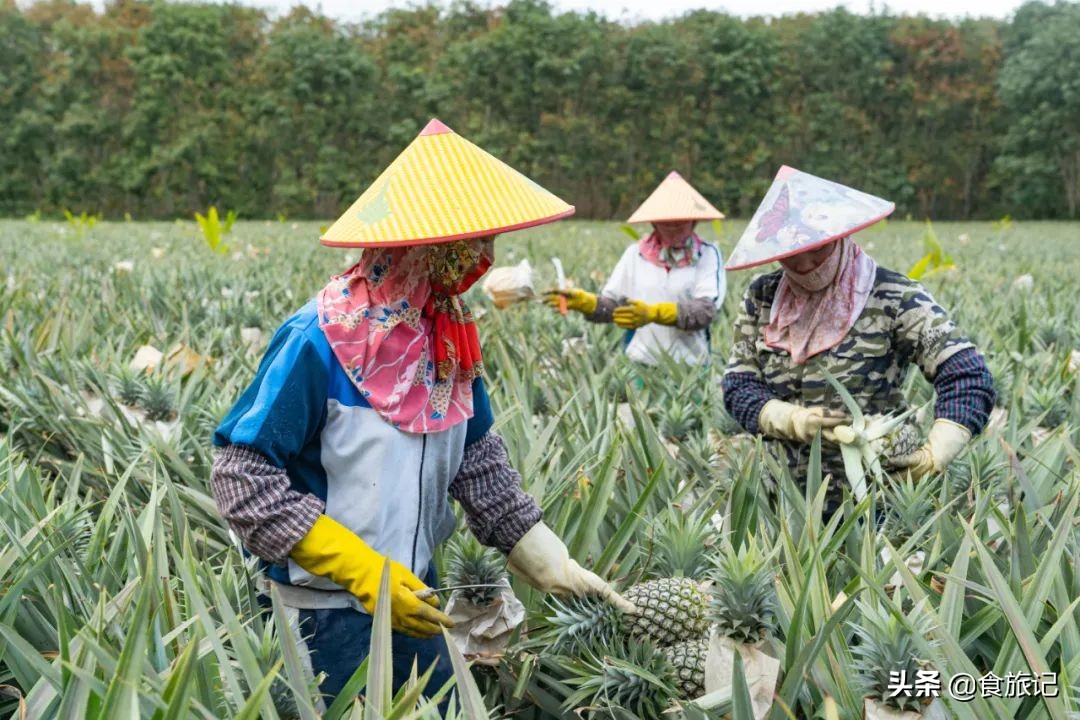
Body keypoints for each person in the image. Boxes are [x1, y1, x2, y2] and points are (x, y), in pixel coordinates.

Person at [209, 119, 634, 708]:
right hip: (323, 615)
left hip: (417, 602)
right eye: (469, 241)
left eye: (488, 240)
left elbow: (479, 467)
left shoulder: (448, 335)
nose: (485, 257)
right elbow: (242, 477)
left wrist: (550, 561)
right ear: (418, 245)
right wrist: (361, 570)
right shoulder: (317, 340)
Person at [721, 166, 995, 506]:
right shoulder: (763, 295)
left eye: (817, 248)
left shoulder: (895, 297)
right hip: (785, 497)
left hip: (878, 498)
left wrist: (935, 453)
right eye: (791, 254)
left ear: (839, 236)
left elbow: (968, 375)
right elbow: (738, 383)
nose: (804, 264)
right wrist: (789, 418)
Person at [545, 171, 726, 365]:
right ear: (654, 222)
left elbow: (705, 311)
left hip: (690, 364)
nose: (674, 225)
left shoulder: (708, 254)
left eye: (681, 219)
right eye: (667, 220)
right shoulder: (635, 254)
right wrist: (587, 303)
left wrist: (654, 313)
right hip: (641, 363)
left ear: (694, 220)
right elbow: (615, 306)